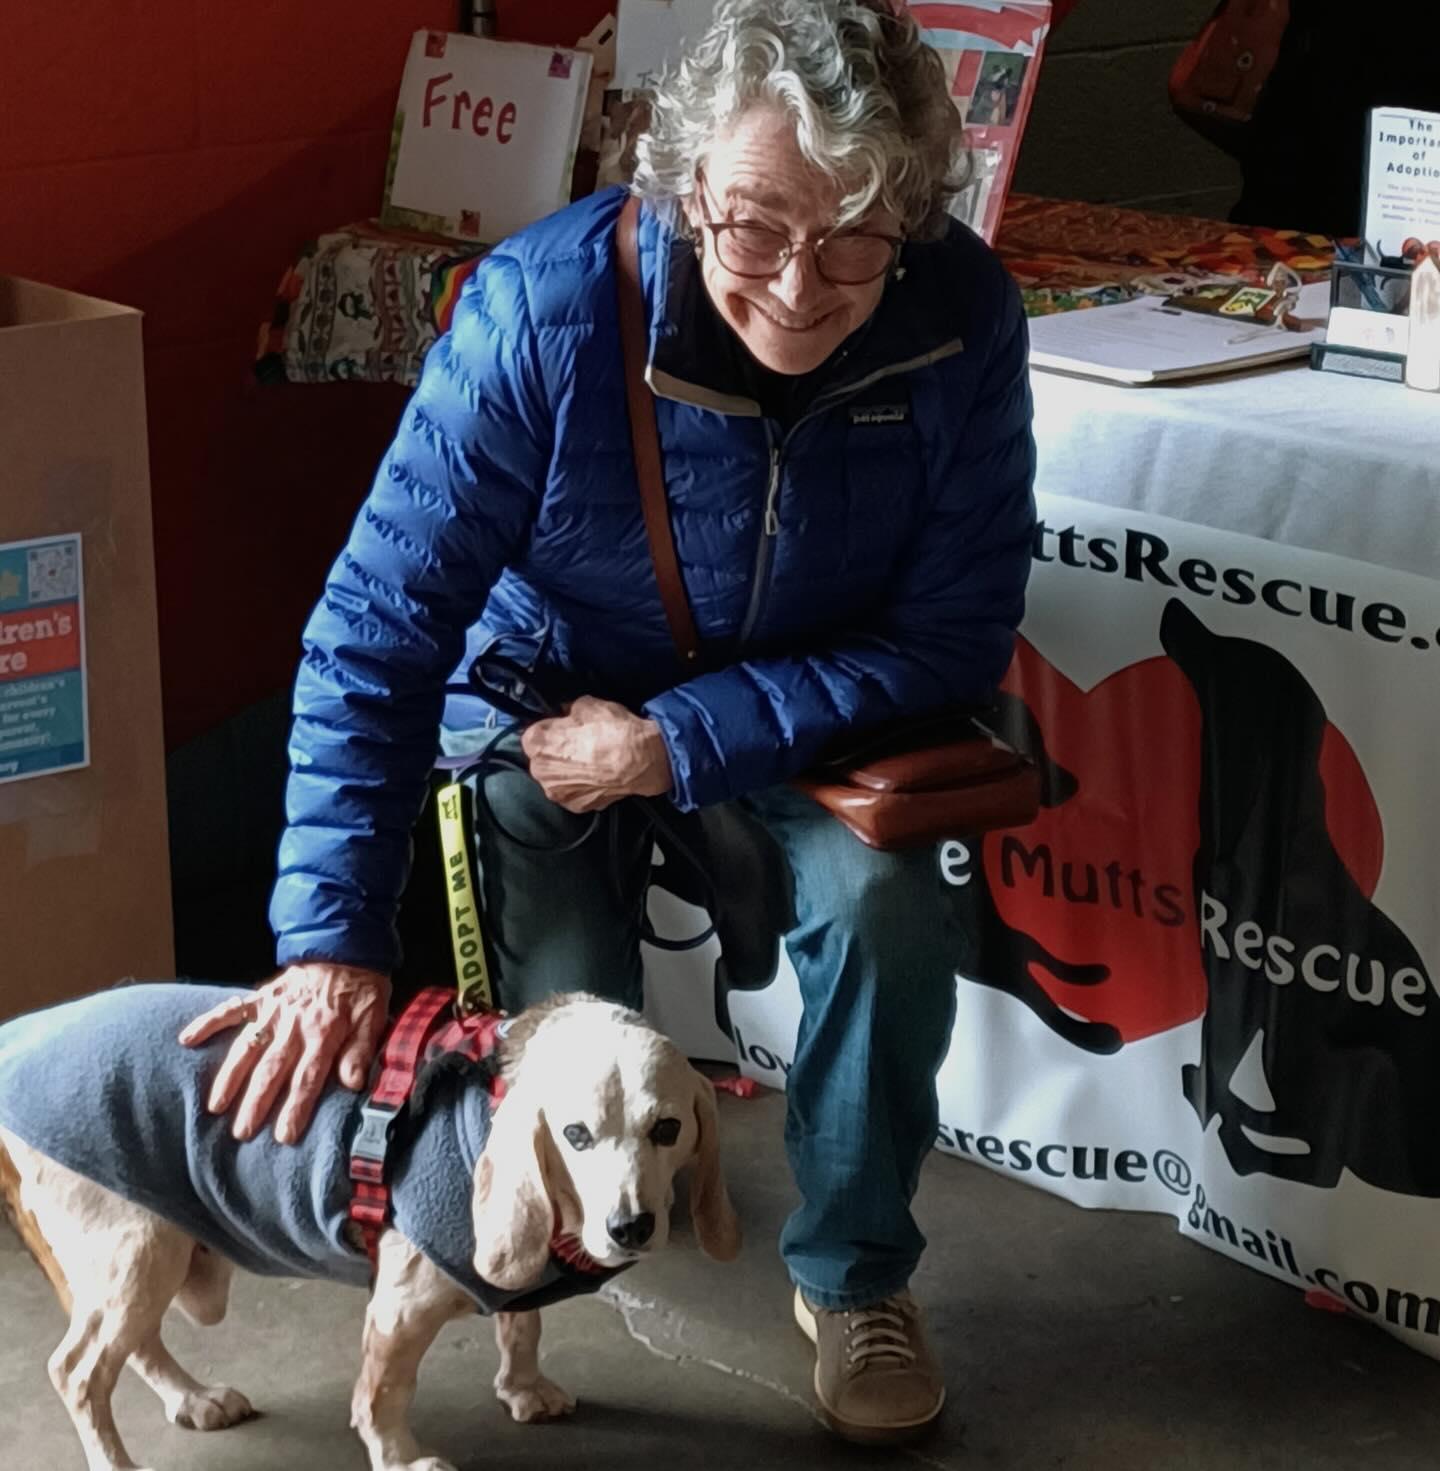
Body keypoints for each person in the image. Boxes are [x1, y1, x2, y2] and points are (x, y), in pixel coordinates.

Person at [180, 0, 1035, 1443]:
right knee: (576, 1043)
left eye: (855, 238)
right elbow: (377, 631)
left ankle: (856, 1275)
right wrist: (327, 942)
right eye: (756, 224)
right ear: (686, 182)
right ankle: (536, 1269)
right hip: (543, 706)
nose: (798, 283)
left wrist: (679, 738)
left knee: (891, 912)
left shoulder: (962, 313)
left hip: (796, 719)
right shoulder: (546, 310)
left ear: (914, 220)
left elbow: (953, 633)